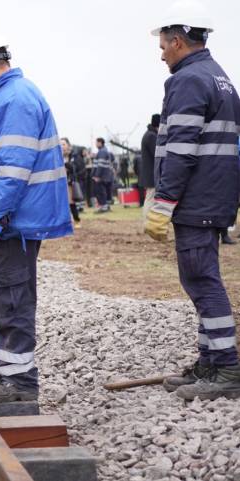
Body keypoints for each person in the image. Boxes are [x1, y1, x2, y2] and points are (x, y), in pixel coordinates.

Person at [0, 29, 73, 403]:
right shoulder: (13, 97)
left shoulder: (15, 100)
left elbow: (14, 169)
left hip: (12, 222)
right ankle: (5, 369)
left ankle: (19, 384)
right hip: (14, 221)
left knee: (12, 297)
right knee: (5, 295)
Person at [145, 0, 240, 400]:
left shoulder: (187, 80)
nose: (161, 51)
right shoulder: (218, 77)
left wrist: (163, 200)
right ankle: (210, 361)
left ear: (179, 40)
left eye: (164, 44)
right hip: (214, 196)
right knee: (200, 278)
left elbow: (182, 148)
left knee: (201, 279)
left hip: (197, 199)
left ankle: (227, 369)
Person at [140, 114, 160, 216]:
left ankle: (148, 221)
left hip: (149, 173)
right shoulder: (152, 136)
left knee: (150, 198)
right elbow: (157, 154)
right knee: (150, 199)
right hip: (152, 174)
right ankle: (147, 222)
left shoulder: (148, 134)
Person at [60, 137, 81, 226]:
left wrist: (65, 162)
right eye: (60, 144)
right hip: (59, 183)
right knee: (60, 203)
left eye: (63, 144)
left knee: (71, 203)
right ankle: (63, 222)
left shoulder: (73, 156)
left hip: (69, 183)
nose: (62, 146)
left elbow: (74, 168)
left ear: (68, 145)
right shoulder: (56, 156)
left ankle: (77, 220)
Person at [92, 137, 114, 213]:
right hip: (105, 176)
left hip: (101, 176)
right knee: (104, 191)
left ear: (100, 143)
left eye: (96, 142)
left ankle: (104, 207)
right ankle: (106, 207)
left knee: (100, 192)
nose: (95, 144)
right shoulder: (105, 151)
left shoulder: (102, 152)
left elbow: (100, 165)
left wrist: (97, 176)